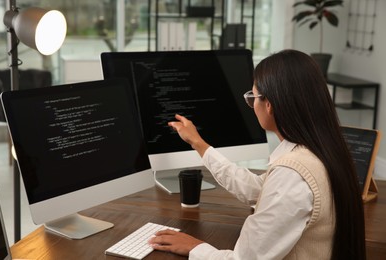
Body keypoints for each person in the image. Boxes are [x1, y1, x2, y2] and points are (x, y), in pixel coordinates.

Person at [148, 49, 366, 259]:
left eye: (253, 96)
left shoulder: (291, 176)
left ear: (269, 104)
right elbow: (260, 190)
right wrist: (199, 144)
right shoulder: (319, 152)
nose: (251, 104)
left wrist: (196, 247)